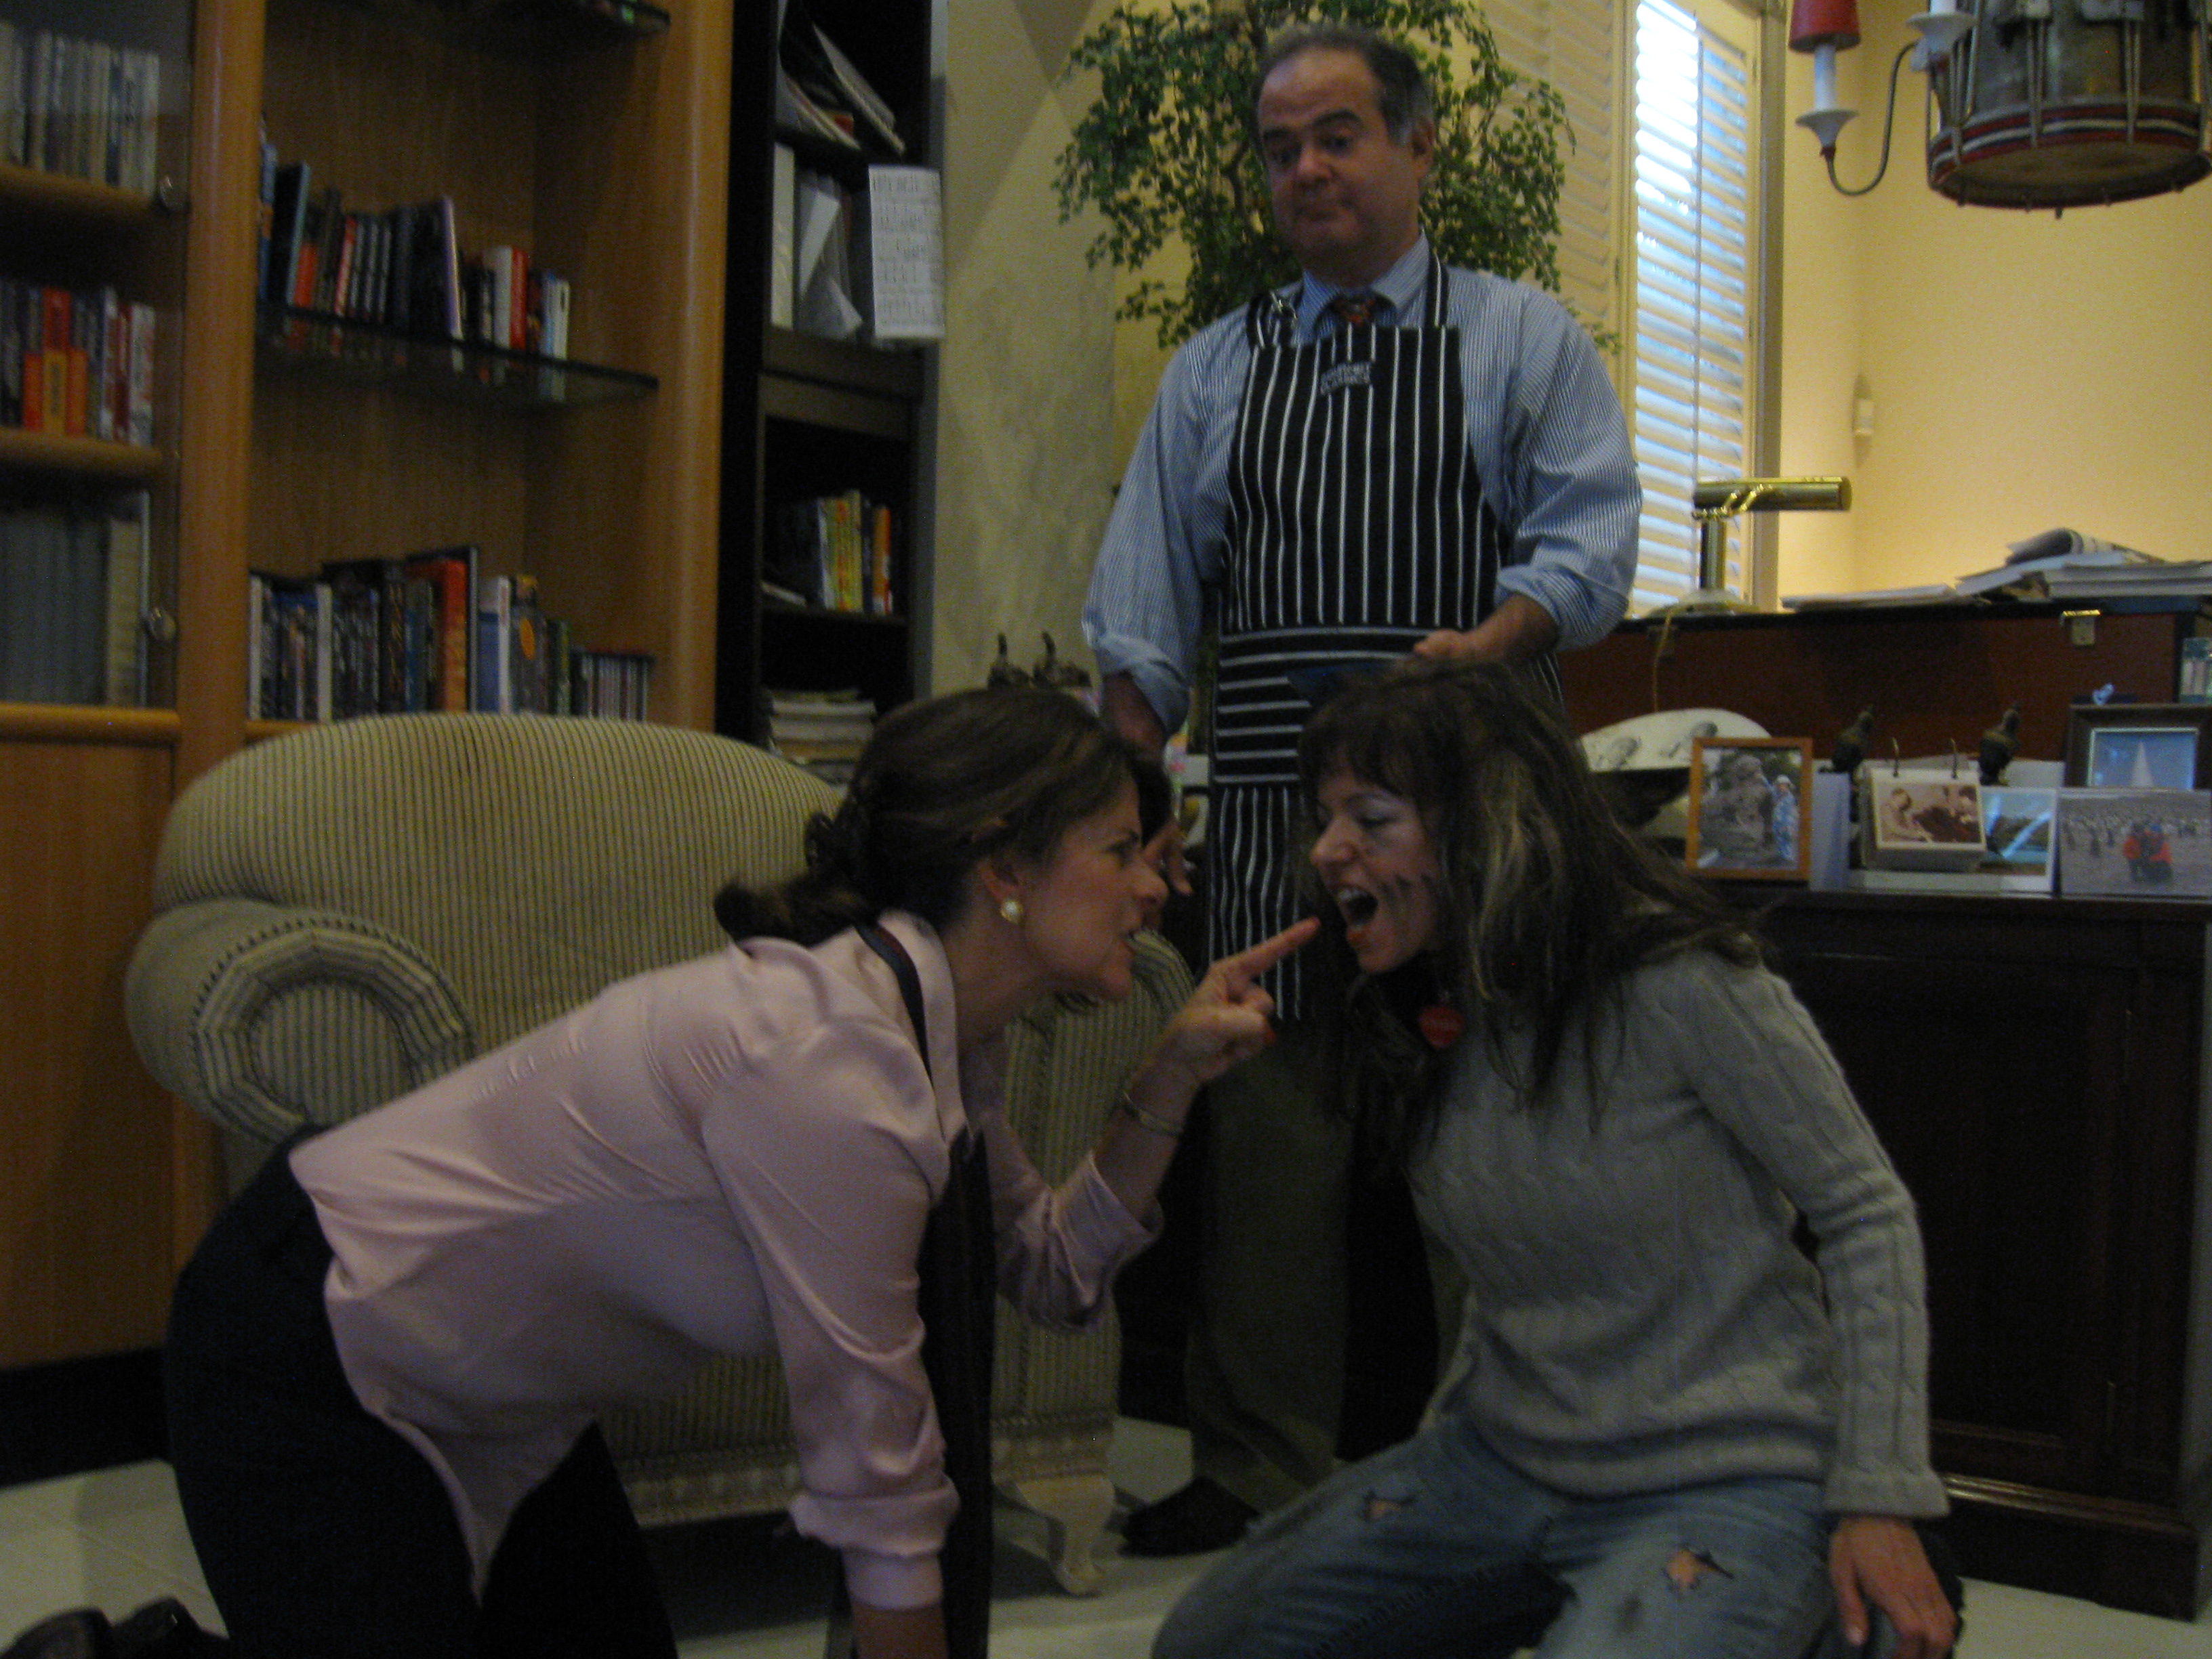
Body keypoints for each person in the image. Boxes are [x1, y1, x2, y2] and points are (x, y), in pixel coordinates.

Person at [161, 686, 1314, 1659]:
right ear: (1003, 860)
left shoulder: (944, 1038)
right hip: (318, 1333)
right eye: (1121, 851)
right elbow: (880, 1484)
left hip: (502, 1395)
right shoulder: (831, 1067)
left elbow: (1053, 1275)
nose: (1157, 887)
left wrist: (1170, 1078)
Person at [1081, 20, 1640, 1552]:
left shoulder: (1523, 340)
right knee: (1268, 1159)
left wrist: (1480, 651)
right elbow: (1142, 614)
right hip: (1277, 826)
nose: (1308, 169)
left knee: (1499, 1156)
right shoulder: (1214, 370)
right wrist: (1121, 799)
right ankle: (1254, 1472)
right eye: (1281, 149)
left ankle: (1515, 1467)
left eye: (1338, 136)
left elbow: (1590, 553)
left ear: (1417, 146)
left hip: (1479, 830)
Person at [1153, 657, 1958, 1659]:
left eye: (1371, 819)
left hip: (1733, 1470)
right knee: (1213, 1641)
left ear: (1486, 826)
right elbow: (1515, 1267)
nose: (1328, 851)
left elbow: (1866, 1211)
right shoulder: (1427, 997)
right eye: (1325, 819)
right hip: (1505, 1461)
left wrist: (1881, 1496)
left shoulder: (1681, 977)